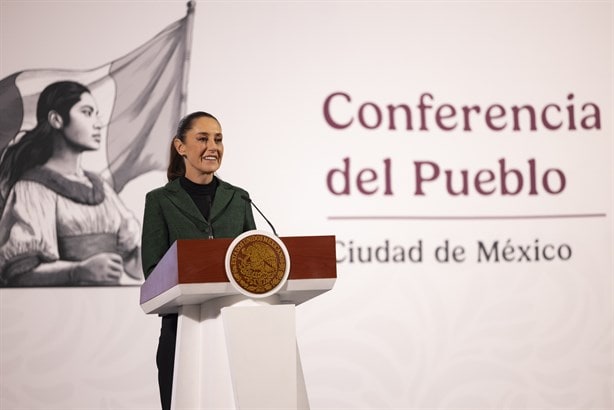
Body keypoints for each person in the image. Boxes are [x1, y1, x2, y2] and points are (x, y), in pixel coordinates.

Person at [141, 111, 256, 410]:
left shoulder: (239, 198)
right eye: (202, 139)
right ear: (181, 147)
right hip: (181, 331)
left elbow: (254, 262)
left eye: (218, 139)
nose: (213, 147)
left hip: (234, 331)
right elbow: (153, 272)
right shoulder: (159, 201)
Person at [0, 81, 141, 286]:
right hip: (61, 311)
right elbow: (20, 273)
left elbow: (134, 263)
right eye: (86, 112)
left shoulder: (100, 187)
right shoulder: (32, 188)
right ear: (56, 119)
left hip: (109, 310)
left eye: (96, 113)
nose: (97, 123)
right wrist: (78, 271)